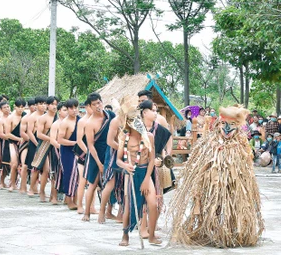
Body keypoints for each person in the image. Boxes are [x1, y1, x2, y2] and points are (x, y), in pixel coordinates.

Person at [168, 105, 264, 248]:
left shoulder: (241, 145)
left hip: (234, 185)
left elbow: (247, 166)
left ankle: (231, 233)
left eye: (231, 125)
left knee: (233, 207)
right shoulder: (209, 144)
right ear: (219, 124)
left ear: (237, 127)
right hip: (213, 184)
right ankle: (211, 230)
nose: (227, 129)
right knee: (214, 207)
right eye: (224, 124)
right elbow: (198, 163)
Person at [116, 95, 160, 246]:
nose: (136, 124)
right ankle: (125, 235)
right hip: (132, 173)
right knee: (128, 207)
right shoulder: (124, 137)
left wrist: (147, 179)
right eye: (132, 121)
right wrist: (125, 166)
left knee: (153, 204)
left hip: (146, 173)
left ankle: (152, 235)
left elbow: (152, 159)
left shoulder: (149, 137)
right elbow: (118, 160)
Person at [82, 92, 115, 222]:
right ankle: (87, 212)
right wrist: (99, 164)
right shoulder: (90, 123)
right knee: (93, 184)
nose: (98, 106)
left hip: (110, 152)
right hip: (96, 154)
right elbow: (90, 145)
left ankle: (108, 211)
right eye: (94, 104)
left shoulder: (110, 115)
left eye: (99, 103)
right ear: (90, 106)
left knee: (111, 182)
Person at [29, 96, 58, 202]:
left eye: (56, 104)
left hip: (55, 146)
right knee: (41, 169)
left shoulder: (59, 118)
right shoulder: (43, 118)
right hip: (44, 145)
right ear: (48, 105)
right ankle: (38, 190)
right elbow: (39, 134)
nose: (54, 106)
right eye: (52, 104)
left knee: (53, 170)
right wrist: (51, 139)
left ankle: (53, 194)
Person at [57, 99, 78, 209]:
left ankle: (75, 199)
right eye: (71, 108)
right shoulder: (64, 123)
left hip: (78, 151)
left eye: (76, 107)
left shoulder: (80, 120)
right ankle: (69, 199)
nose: (74, 110)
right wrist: (75, 143)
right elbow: (60, 140)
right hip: (67, 151)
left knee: (78, 175)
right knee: (69, 174)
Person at [75, 101, 94, 214]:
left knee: (93, 182)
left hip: (94, 153)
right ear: (87, 107)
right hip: (83, 153)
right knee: (82, 180)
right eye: (93, 105)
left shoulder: (99, 120)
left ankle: (92, 206)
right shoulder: (82, 121)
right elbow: (79, 140)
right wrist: (88, 152)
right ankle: (79, 205)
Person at [26, 96, 46, 197]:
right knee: (35, 167)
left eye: (44, 104)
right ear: (36, 105)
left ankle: (40, 189)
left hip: (45, 143)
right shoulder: (32, 117)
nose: (43, 106)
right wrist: (36, 144)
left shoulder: (47, 116)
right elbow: (29, 132)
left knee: (44, 168)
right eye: (41, 104)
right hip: (35, 143)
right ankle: (31, 188)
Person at [4, 98, 26, 192]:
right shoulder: (10, 118)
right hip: (12, 142)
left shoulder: (26, 116)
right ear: (15, 107)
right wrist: (18, 139)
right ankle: (12, 184)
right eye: (19, 107)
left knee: (24, 164)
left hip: (23, 142)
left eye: (22, 107)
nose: (20, 109)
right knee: (14, 164)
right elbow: (7, 133)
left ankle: (23, 185)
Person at [49, 101, 68, 204]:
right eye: (64, 110)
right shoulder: (56, 124)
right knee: (55, 174)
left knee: (67, 174)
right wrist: (62, 148)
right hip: (57, 150)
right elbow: (52, 140)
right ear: (59, 111)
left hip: (68, 151)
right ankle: (54, 197)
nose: (66, 112)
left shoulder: (70, 123)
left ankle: (67, 197)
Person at [19, 98, 36, 194]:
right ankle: (23, 186)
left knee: (37, 167)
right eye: (33, 105)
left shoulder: (40, 117)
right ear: (29, 106)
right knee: (25, 165)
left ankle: (34, 187)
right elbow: (22, 133)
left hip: (37, 143)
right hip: (26, 143)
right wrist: (31, 140)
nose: (34, 107)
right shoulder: (25, 118)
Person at [0, 101, 11, 188]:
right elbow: (1, 134)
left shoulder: (13, 118)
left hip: (14, 141)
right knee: (5, 162)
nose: (7, 109)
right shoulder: (0, 121)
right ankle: (1, 181)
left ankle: (13, 182)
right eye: (5, 107)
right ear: (1, 109)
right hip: (4, 142)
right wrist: (11, 138)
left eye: (8, 107)